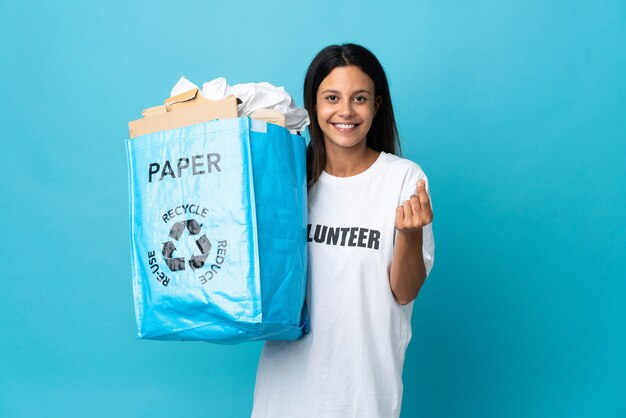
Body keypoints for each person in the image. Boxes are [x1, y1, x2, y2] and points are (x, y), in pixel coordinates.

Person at [251, 43, 435, 418]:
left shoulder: (403, 179)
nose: (345, 111)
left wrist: (410, 235)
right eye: (332, 97)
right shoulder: (289, 178)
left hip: (363, 394)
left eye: (360, 98)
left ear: (376, 105)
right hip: (285, 391)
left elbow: (405, 290)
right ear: (313, 105)